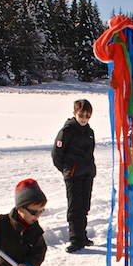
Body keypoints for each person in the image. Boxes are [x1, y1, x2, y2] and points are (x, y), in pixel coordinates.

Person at [52, 99, 96, 253]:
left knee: (84, 206)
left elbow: (90, 152)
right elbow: (57, 154)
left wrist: (91, 169)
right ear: (74, 114)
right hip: (73, 175)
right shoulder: (67, 131)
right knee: (75, 208)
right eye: (81, 115)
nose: (84, 118)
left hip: (87, 174)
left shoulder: (89, 132)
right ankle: (75, 240)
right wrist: (66, 170)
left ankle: (82, 236)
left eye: (87, 115)